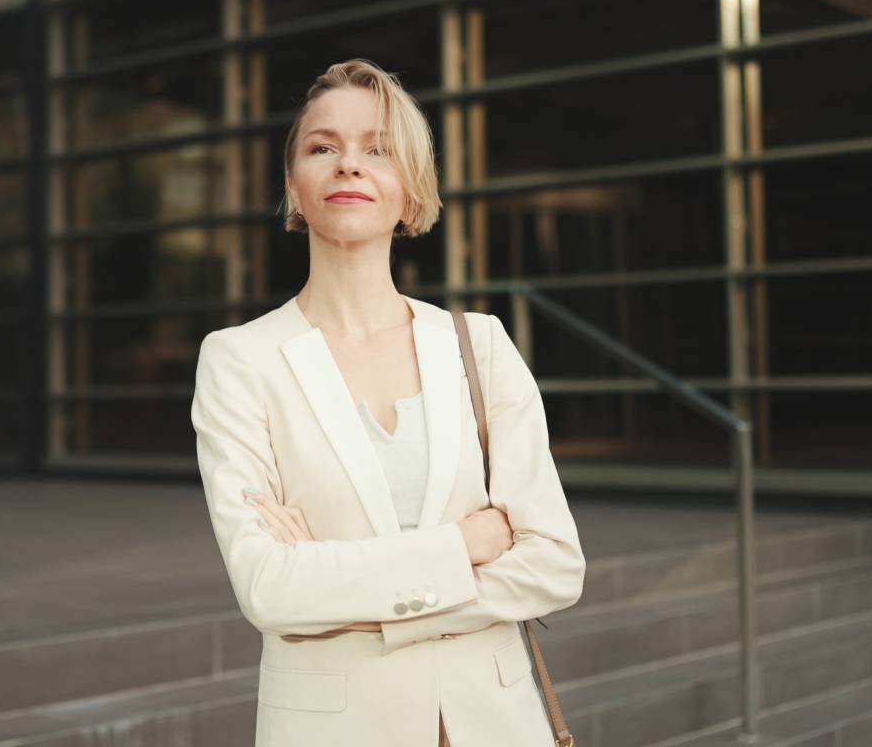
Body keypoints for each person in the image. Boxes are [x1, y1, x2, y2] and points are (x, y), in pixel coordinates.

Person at [189, 59, 585, 746]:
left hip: (495, 726)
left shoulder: (480, 347)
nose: (349, 165)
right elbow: (269, 588)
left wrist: (352, 589)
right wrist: (465, 545)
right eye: (323, 147)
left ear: (410, 189)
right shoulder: (238, 361)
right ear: (294, 186)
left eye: (378, 149)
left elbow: (554, 565)